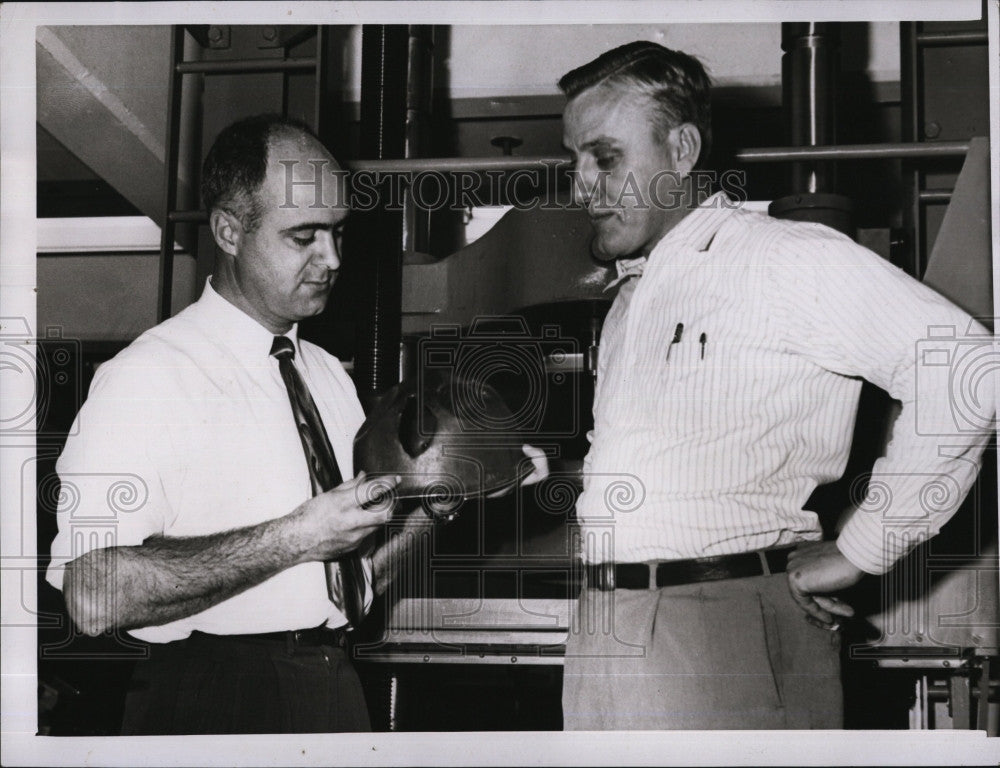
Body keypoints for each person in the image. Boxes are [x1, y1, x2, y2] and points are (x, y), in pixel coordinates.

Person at [558, 41, 995, 729]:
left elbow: (966, 368)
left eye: (605, 158)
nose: (582, 186)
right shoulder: (631, 300)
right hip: (604, 631)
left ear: (681, 150)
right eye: (574, 161)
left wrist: (863, 547)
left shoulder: (783, 259)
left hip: (720, 627)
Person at [46, 114, 399, 734]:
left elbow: (357, 578)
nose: (333, 258)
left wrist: (450, 501)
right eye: (303, 237)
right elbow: (93, 593)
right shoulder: (147, 377)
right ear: (229, 231)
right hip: (213, 695)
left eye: (338, 232)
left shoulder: (328, 377)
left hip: (334, 681)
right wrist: (295, 537)